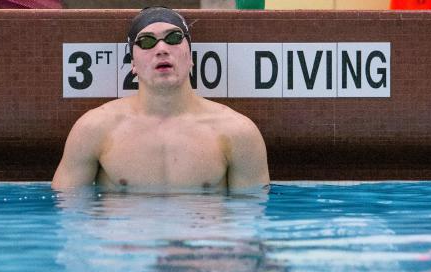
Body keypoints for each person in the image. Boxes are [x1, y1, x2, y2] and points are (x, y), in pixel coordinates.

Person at [52, 7, 269, 193]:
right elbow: (67, 216)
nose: (162, 49)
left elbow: (250, 224)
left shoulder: (238, 133)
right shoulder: (94, 129)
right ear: (133, 64)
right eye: (146, 42)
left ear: (191, 56)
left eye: (174, 38)